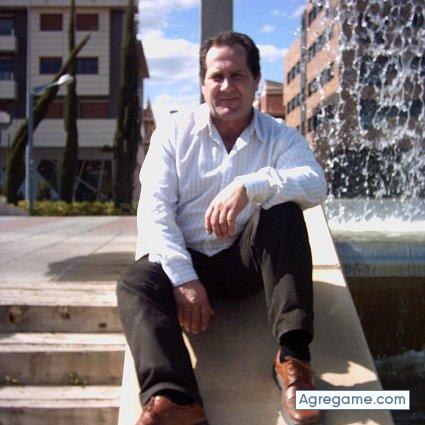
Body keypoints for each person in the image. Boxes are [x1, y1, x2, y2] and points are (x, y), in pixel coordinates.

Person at [117, 31, 327, 425]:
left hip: (245, 265)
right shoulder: (173, 133)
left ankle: (294, 361)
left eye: (238, 75)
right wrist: (184, 278)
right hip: (186, 260)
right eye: (217, 76)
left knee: (284, 212)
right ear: (203, 83)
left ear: (256, 80)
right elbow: (155, 211)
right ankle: (176, 400)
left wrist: (251, 186)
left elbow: (316, 184)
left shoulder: (279, 135)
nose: (227, 86)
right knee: (135, 281)